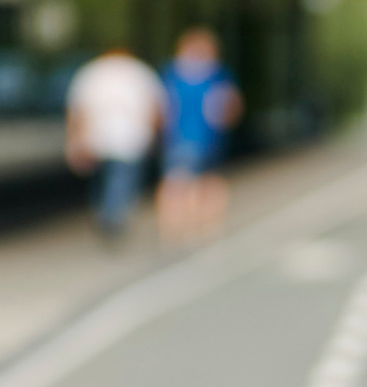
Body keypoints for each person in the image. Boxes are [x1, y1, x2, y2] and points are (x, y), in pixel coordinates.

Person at [65, 43, 164, 242]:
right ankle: (113, 217)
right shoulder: (140, 72)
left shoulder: (91, 72)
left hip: (97, 139)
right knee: (122, 181)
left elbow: (77, 110)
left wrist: (75, 141)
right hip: (131, 139)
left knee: (103, 181)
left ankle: (106, 214)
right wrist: (155, 137)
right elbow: (156, 108)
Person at [157, 27, 242, 244]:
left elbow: (161, 109)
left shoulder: (171, 74)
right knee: (207, 182)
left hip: (178, 138)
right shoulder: (217, 74)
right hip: (208, 137)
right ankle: (206, 225)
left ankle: (176, 227)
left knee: (178, 183)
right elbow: (232, 107)